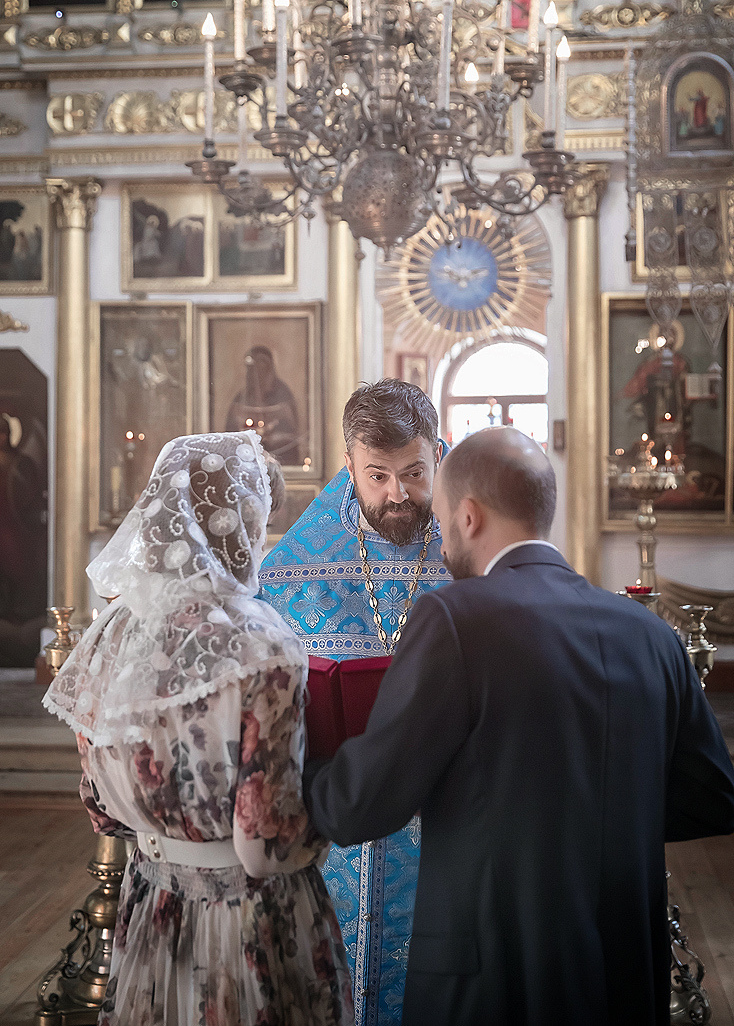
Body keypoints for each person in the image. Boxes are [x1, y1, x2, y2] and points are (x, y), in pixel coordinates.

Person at [304, 426, 734, 1026]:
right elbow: (714, 800)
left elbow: (361, 805)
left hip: (489, 980)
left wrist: (294, 772)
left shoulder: (456, 620)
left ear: (469, 516)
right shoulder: (650, 634)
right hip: (625, 974)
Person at [43, 431, 354, 1026]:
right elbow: (265, 846)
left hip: (152, 904)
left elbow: (101, 810)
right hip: (245, 924)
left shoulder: (110, 639)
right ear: (238, 524)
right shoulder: (264, 646)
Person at [259, 379, 450, 1025]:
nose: (398, 494)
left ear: (439, 456)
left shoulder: (473, 546)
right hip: (337, 824)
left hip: (449, 819)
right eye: (378, 476)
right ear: (350, 467)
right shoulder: (292, 570)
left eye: (415, 473)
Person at [226, 346, 301, 466]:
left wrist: (270, 433)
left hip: (282, 460)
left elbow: (291, 433)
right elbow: (231, 436)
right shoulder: (242, 397)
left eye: (262, 366)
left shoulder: (282, 394)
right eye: (253, 368)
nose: (257, 373)